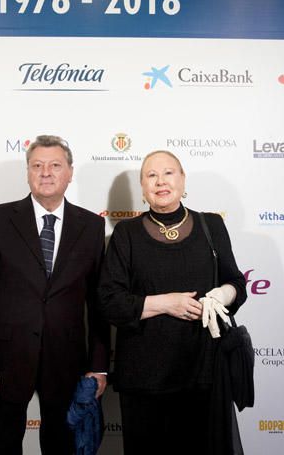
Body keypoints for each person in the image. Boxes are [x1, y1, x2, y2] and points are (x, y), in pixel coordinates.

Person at [0, 135, 110, 455]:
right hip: (5, 361)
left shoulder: (91, 226)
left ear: (70, 172)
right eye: (37, 165)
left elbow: (98, 302)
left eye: (55, 165)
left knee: (62, 444)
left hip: (68, 360)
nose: (46, 172)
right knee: (2, 445)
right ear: (28, 172)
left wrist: (98, 364)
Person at [98, 150, 247, 454]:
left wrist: (223, 294)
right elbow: (110, 302)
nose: (160, 181)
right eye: (151, 175)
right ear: (142, 187)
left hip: (203, 374)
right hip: (144, 380)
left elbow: (237, 284)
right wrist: (165, 303)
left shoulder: (211, 226)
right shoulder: (126, 234)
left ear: (182, 180)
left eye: (168, 173)